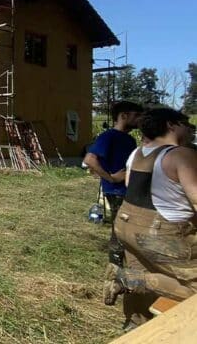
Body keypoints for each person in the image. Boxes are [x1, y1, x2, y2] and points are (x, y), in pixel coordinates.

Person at [104, 108, 197, 330]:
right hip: (161, 232)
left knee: (146, 270)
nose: (190, 129)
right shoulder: (180, 155)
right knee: (192, 290)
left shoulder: (137, 153)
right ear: (171, 125)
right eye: (186, 123)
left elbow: (129, 186)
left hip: (126, 224)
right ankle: (126, 280)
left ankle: (134, 325)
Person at [83, 101, 144, 265]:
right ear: (123, 116)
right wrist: (111, 178)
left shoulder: (130, 139)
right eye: (136, 115)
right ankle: (116, 269)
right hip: (116, 191)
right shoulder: (108, 136)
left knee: (130, 230)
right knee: (120, 231)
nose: (140, 119)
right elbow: (90, 159)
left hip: (130, 189)